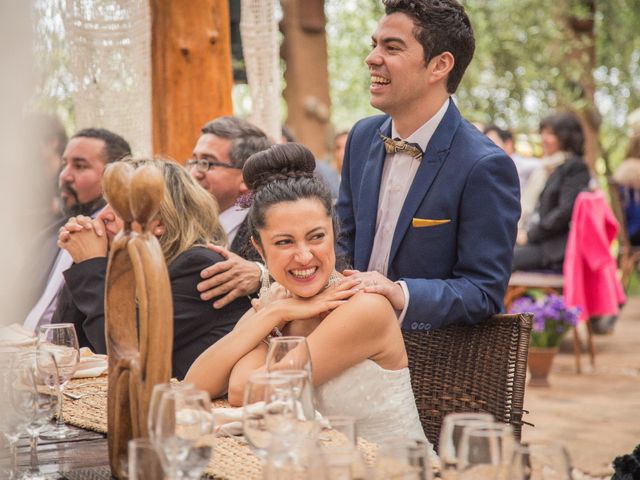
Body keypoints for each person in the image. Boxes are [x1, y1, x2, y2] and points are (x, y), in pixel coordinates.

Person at [186, 143, 429, 447]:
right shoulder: (280, 304)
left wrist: (270, 317)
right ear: (259, 248)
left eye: (316, 237)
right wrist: (276, 314)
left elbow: (244, 391)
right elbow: (194, 387)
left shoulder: (365, 307)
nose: (304, 256)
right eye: (284, 242)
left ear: (333, 232)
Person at [335, 0, 520, 331]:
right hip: (344, 333)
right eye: (374, 44)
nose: (372, 58)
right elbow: (342, 242)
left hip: (429, 357)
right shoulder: (362, 137)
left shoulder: (484, 166)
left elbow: (483, 291)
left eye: (392, 48)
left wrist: (399, 293)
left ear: (439, 65)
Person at [54, 158, 251, 379]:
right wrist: (82, 259)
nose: (103, 216)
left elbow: (122, 352)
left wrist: (90, 264)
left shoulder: (198, 267)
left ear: (159, 222)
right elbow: (64, 346)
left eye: (120, 206)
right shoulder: (128, 263)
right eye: (106, 203)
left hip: (186, 407)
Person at [23, 128, 131, 332]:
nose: (65, 176)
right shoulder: (48, 235)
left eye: (80, 166)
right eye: (65, 164)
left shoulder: (121, 236)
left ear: (114, 176)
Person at [188, 116, 273, 310]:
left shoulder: (270, 221)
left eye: (207, 163)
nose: (193, 173)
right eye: (193, 161)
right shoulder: (182, 219)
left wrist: (261, 275)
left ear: (246, 178)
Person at [513, 112, 591, 271]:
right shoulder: (547, 167)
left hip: (554, 248)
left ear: (566, 138)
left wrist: (529, 236)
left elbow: (564, 212)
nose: (543, 138)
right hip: (535, 241)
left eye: (550, 134)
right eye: (542, 132)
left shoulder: (575, 168)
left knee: (500, 260)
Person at [483, 124, 538, 192]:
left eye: (492, 142)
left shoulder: (525, 165)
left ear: (508, 143)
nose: (487, 148)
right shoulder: (487, 169)